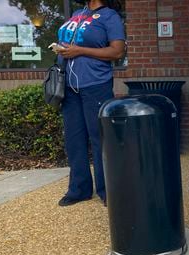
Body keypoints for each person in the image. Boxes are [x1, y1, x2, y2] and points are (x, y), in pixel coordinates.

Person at [55, 0, 125, 207]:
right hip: (69, 86)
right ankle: (79, 189)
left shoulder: (109, 16)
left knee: (100, 139)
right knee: (74, 139)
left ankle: (107, 190)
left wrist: (80, 51)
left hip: (95, 84)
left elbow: (117, 52)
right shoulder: (78, 12)